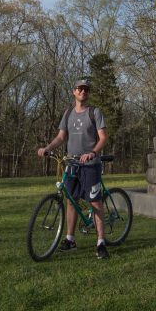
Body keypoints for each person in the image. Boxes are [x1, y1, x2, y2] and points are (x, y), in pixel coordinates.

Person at [38, 79, 110, 259]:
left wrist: (93, 153)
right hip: (71, 164)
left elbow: (103, 138)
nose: (83, 91)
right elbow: (61, 137)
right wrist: (48, 148)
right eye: (80, 89)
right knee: (71, 200)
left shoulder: (95, 112)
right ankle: (70, 240)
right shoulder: (68, 113)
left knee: (95, 202)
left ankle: (101, 243)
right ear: (74, 92)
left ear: (88, 93)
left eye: (86, 89)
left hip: (90, 165)